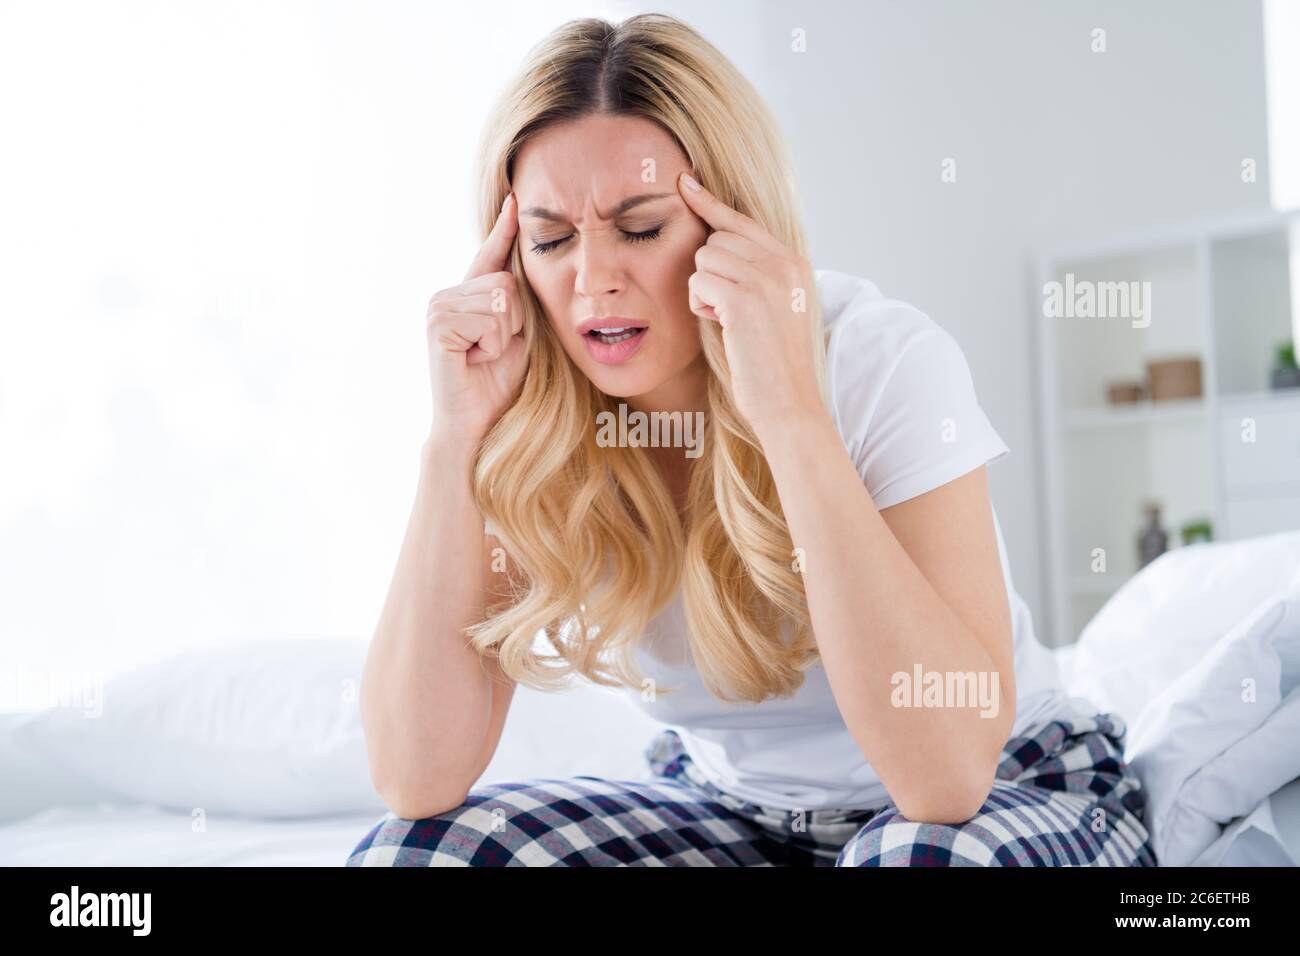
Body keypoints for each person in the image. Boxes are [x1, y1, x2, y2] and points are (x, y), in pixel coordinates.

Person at [347, 12, 1156, 867]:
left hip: (1006, 788)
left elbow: (947, 781)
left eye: (642, 227)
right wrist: (453, 444)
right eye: (549, 240)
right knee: (422, 854)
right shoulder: (532, 414)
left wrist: (790, 414)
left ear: (731, 223)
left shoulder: (878, 361)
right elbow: (413, 780)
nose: (591, 280)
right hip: (732, 810)